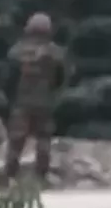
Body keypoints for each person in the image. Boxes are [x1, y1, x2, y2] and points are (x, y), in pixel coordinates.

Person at [5, 12, 68, 182]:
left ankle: (10, 177)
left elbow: (10, 78)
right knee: (44, 140)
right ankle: (41, 177)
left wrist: (11, 98)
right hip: (45, 103)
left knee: (16, 141)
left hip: (21, 103)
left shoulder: (17, 51)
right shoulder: (56, 52)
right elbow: (60, 78)